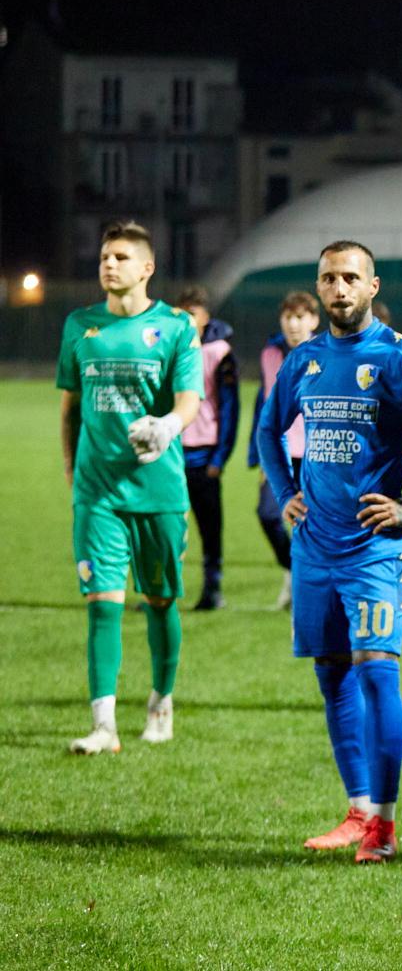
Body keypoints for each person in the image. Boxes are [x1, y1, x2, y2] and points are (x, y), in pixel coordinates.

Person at [256, 240, 402, 862]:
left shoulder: (398, 357)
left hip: (375, 550)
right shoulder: (303, 360)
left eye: (350, 277)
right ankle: (358, 811)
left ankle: (383, 826)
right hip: (314, 546)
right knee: (332, 676)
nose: (339, 289)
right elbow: (266, 430)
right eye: (329, 278)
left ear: (373, 286)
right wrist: (285, 493)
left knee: (377, 672)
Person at [57, 220, 202, 754]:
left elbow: (189, 399)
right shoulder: (80, 325)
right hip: (98, 493)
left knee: (160, 602)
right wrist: (72, 468)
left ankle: (161, 701)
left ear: (146, 268)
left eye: (120, 257)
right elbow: (69, 406)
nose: (108, 265)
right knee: (102, 603)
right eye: (103, 257)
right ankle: (104, 726)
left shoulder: (177, 327)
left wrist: (166, 426)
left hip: (159, 490)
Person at [246, 291, 320, 609]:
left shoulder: (326, 351)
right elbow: (267, 405)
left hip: (317, 453)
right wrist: (262, 455)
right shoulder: (271, 353)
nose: (293, 324)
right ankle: (293, 572)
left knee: (313, 524)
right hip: (281, 450)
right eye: (288, 317)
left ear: (314, 321)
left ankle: (309, 590)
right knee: (267, 514)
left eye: (300, 317)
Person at [176, 286, 238, 610]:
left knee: (209, 526)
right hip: (171, 452)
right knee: (168, 524)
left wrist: (220, 456)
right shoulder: (167, 348)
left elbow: (230, 407)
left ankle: (212, 589)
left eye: (193, 315)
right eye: (182, 314)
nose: (187, 321)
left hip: (205, 455)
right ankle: (162, 589)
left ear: (205, 318)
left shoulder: (218, 352)